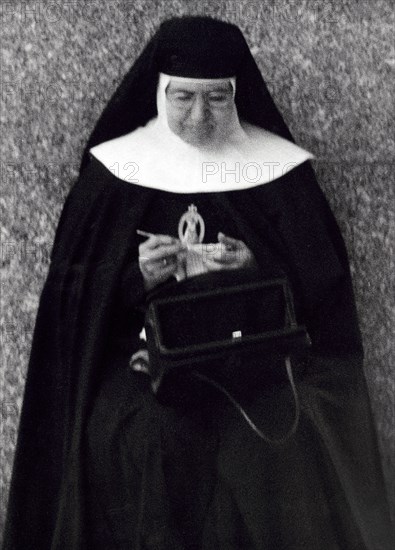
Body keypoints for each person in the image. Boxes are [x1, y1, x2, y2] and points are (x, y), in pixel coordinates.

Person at [3, 16, 392, 550]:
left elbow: (324, 291)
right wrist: (132, 279)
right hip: (140, 363)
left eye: (216, 99)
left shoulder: (277, 171)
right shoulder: (115, 170)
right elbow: (72, 296)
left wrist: (259, 268)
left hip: (256, 362)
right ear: (160, 91)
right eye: (183, 98)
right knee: (149, 439)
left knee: (281, 440)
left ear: (237, 95)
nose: (198, 116)